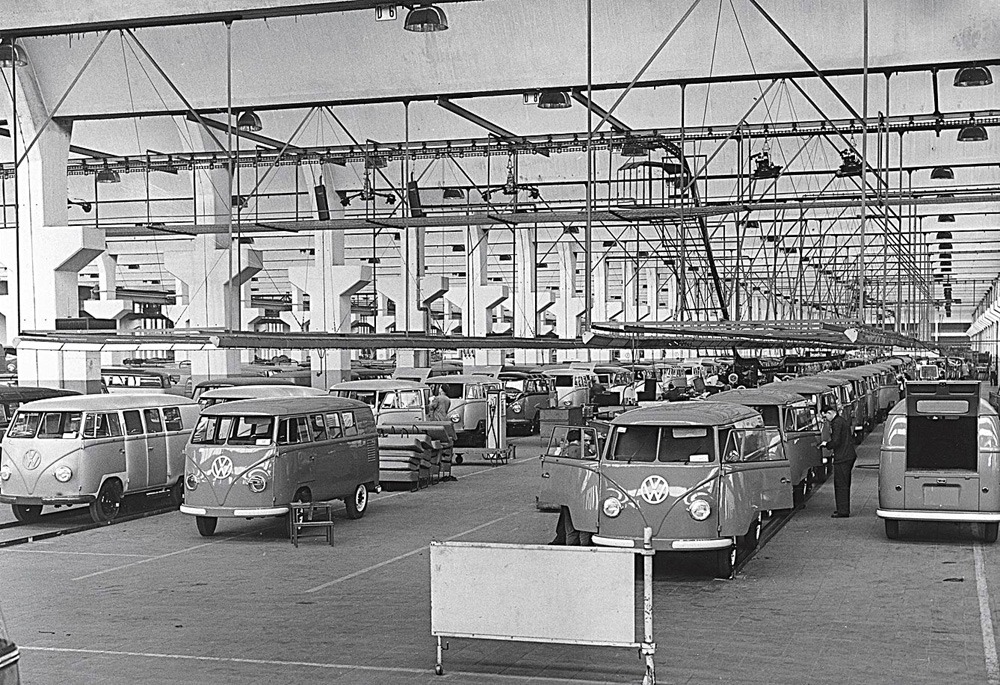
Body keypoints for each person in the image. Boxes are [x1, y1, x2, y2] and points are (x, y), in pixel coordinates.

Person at [821, 406, 857, 518]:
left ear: (830, 413)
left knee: (841, 484)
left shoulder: (836, 423)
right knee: (843, 483)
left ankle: (843, 511)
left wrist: (826, 444)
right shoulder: (841, 420)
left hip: (843, 457)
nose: (825, 419)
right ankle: (842, 509)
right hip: (847, 455)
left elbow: (836, 441)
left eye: (825, 416)